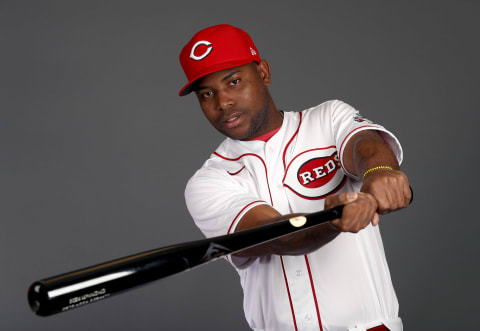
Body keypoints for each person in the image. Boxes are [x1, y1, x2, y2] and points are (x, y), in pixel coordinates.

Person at [178, 24, 411, 331]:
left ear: (263, 73)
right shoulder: (208, 182)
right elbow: (275, 235)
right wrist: (334, 217)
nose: (223, 103)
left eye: (233, 82)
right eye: (207, 94)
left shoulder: (327, 119)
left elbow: (366, 145)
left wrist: (380, 171)